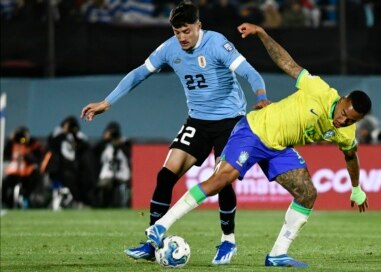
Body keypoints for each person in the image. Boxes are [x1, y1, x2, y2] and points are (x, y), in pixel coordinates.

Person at [144, 22, 372, 268]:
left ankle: (277, 254)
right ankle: (160, 227)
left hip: (278, 147)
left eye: (351, 120)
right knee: (221, 180)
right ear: (343, 99)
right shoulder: (320, 90)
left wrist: (356, 188)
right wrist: (263, 34)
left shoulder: (347, 131)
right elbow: (287, 63)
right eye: (343, 113)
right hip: (254, 130)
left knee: (307, 193)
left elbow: (351, 155)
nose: (343, 120)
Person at [80, 1, 269, 265]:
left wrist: (261, 97)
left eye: (186, 31)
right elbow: (138, 74)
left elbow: (250, 73)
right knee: (165, 174)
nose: (181, 37)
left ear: (198, 26)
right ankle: (152, 241)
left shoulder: (217, 44)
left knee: (223, 180)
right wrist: (106, 102)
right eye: (177, 32)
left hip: (230, 121)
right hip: (197, 122)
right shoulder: (169, 49)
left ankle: (228, 241)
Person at [2, 126, 44, 209]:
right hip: (14, 172)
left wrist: (27, 155)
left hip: (28, 173)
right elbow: (5, 155)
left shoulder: (33, 143)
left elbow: (38, 158)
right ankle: (7, 203)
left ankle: (26, 198)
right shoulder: (12, 143)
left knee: (35, 178)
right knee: (5, 184)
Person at [93, 121, 131, 208]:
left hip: (122, 174)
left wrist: (120, 143)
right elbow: (94, 152)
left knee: (123, 189)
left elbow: (130, 154)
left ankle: (123, 205)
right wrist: (104, 140)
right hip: (107, 174)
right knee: (103, 187)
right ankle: (102, 205)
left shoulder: (125, 143)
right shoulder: (104, 145)